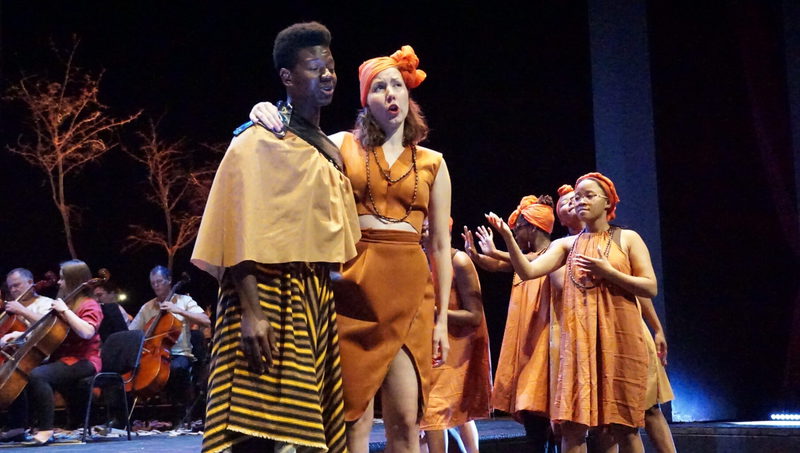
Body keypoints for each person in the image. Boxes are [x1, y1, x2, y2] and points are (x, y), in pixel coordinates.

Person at [251, 44, 453, 453]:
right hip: (354, 290)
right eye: (379, 87)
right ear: (365, 100)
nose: (390, 94)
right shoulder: (342, 144)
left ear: (409, 94)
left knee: (406, 421)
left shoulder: (433, 162)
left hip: (411, 295)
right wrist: (263, 112)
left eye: (397, 85)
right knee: (352, 417)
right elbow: (290, 147)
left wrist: (442, 321)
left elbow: (440, 245)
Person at [192, 21, 361, 453]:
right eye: (314, 67)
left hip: (311, 295)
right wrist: (252, 313)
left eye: (330, 66)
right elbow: (236, 229)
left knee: (302, 434)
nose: (327, 75)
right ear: (287, 76)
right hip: (263, 295)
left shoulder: (329, 148)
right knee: (257, 430)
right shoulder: (257, 141)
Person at [484, 172, 656, 453]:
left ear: (607, 202)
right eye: (577, 197)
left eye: (589, 196)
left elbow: (650, 287)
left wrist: (609, 272)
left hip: (619, 340)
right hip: (579, 344)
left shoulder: (627, 239)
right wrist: (507, 237)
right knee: (572, 425)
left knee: (623, 426)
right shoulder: (565, 245)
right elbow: (528, 271)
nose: (580, 202)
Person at [463, 195, 557, 452]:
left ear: (533, 228)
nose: (515, 233)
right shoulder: (522, 258)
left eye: (518, 228)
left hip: (543, 339)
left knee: (540, 402)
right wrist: (476, 256)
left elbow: (527, 263)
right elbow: (497, 265)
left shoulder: (554, 253)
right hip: (525, 339)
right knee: (531, 409)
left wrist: (500, 245)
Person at [0, 259, 104, 446]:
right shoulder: (68, 303)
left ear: (74, 280)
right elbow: (48, 331)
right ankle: (19, 427)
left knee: (38, 375)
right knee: (23, 372)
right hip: (62, 359)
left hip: (83, 360)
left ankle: (46, 431)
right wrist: (21, 334)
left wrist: (65, 311)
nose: (59, 282)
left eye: (63, 278)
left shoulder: (89, 304)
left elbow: (87, 332)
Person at [420, 219, 491, 453]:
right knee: (437, 413)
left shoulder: (458, 260)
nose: (421, 229)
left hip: (455, 348)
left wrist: (436, 312)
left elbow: (474, 315)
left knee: (436, 411)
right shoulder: (418, 260)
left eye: (427, 226)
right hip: (426, 345)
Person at [125, 265, 209, 429]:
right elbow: (132, 333)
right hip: (153, 354)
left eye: (159, 282)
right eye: (153, 283)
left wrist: (178, 310)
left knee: (177, 369)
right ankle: (127, 418)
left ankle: (179, 416)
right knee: (132, 371)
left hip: (180, 354)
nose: (156, 286)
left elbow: (205, 321)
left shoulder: (184, 301)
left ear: (169, 280)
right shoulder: (148, 307)